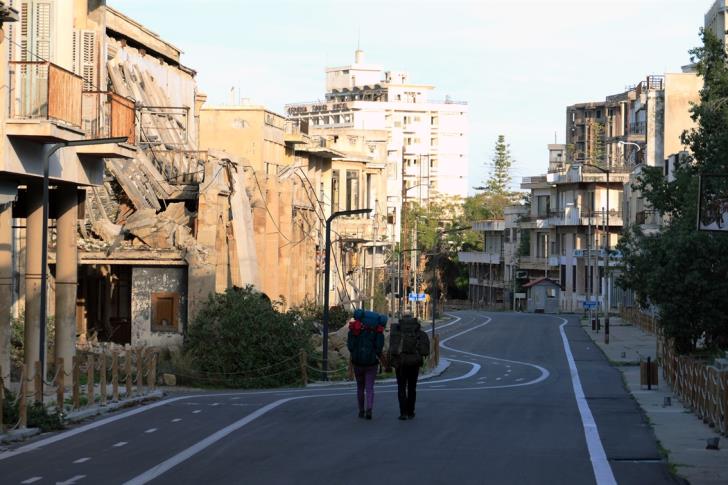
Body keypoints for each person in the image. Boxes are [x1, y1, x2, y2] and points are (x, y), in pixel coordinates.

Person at [388, 315, 430, 420]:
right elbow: (425, 351)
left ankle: (403, 413)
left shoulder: (397, 333)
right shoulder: (419, 334)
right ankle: (411, 412)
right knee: (412, 388)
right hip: (414, 363)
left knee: (401, 387)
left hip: (401, 363)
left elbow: (392, 350)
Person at [347, 309, 385, 420]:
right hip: (371, 364)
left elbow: (350, 347)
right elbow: (379, 348)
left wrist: (355, 353)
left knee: (360, 387)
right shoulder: (377, 332)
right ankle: (369, 409)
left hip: (357, 363)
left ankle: (361, 410)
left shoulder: (354, 331)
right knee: (369, 387)